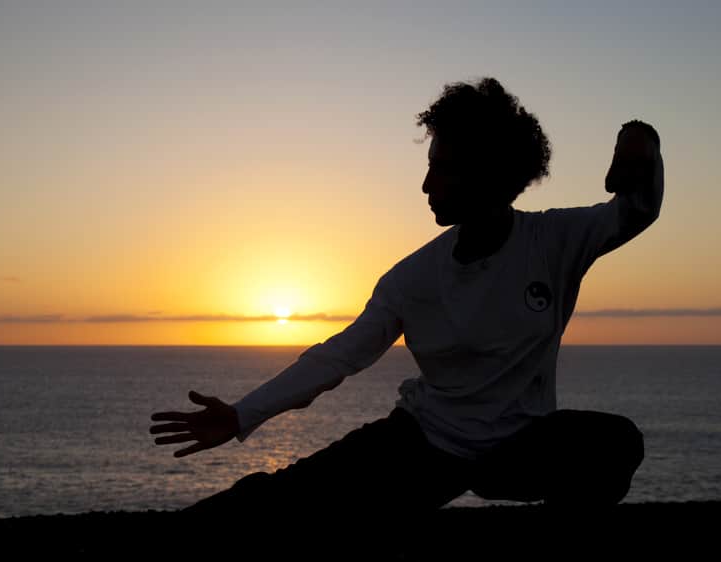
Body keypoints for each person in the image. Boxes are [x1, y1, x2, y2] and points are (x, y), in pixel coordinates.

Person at [149, 77, 663, 533]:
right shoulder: (413, 277)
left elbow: (636, 210)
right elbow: (338, 357)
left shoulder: (554, 240)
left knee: (616, 443)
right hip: (424, 445)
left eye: (441, 170)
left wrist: (642, 141)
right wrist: (241, 416)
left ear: (486, 174)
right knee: (277, 503)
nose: (425, 185)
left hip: (519, 449)